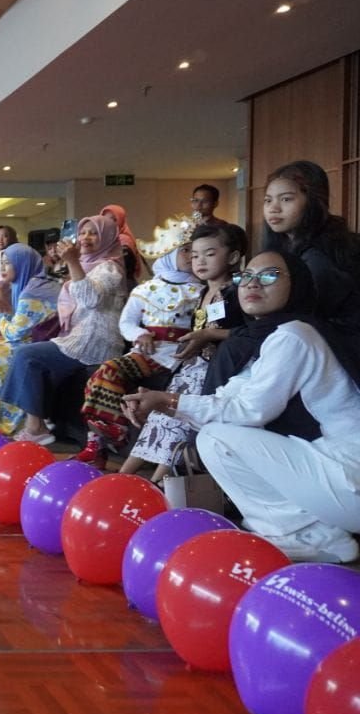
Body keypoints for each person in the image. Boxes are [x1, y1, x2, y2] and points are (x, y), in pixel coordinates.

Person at [124, 250, 360, 563]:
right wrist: (162, 404)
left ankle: (310, 536)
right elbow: (227, 398)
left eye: (270, 276)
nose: (253, 284)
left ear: (298, 284)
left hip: (348, 481)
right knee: (215, 431)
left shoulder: (295, 335)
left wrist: (168, 400)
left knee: (217, 437)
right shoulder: (272, 337)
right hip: (337, 480)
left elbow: (250, 410)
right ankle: (304, 532)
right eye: (246, 276)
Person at [121, 222, 247, 481]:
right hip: (192, 367)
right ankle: (125, 475)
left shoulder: (238, 292)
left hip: (217, 372)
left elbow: (250, 333)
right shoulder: (202, 292)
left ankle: (160, 480)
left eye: (209, 254)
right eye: (194, 255)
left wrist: (212, 335)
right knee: (161, 416)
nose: (199, 261)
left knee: (181, 419)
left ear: (233, 257)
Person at [0, 216, 126, 445]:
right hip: (79, 335)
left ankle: (35, 426)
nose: (86, 238)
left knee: (26, 355)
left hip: (96, 340)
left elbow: (90, 298)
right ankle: (40, 421)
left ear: (107, 237)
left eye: (94, 233)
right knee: (28, 355)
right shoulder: (89, 263)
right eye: (83, 232)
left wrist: (72, 262)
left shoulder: (109, 267)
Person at [77, 242, 202, 467]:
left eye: (195, 251)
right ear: (170, 253)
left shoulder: (201, 290)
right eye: (185, 250)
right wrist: (140, 334)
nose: (191, 255)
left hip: (182, 355)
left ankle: (100, 440)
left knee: (106, 373)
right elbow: (126, 322)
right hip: (149, 351)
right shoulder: (145, 289)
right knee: (104, 372)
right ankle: (104, 434)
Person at [260, 160, 360, 377]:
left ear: (313, 201)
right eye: (268, 200)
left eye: (286, 199)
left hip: (341, 353)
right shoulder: (286, 246)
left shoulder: (323, 253)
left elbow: (304, 315)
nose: (273, 208)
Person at [0, 243, 62, 434]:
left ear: (23, 264)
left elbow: (14, 332)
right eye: (2, 263)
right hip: (15, 337)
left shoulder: (34, 291)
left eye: (9, 263)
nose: (4, 268)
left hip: (36, 345)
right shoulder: (23, 285)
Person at [100, 204, 148, 286]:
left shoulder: (124, 240)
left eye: (114, 220)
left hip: (122, 286)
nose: (109, 223)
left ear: (121, 221)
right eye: (105, 220)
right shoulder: (102, 240)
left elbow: (123, 268)